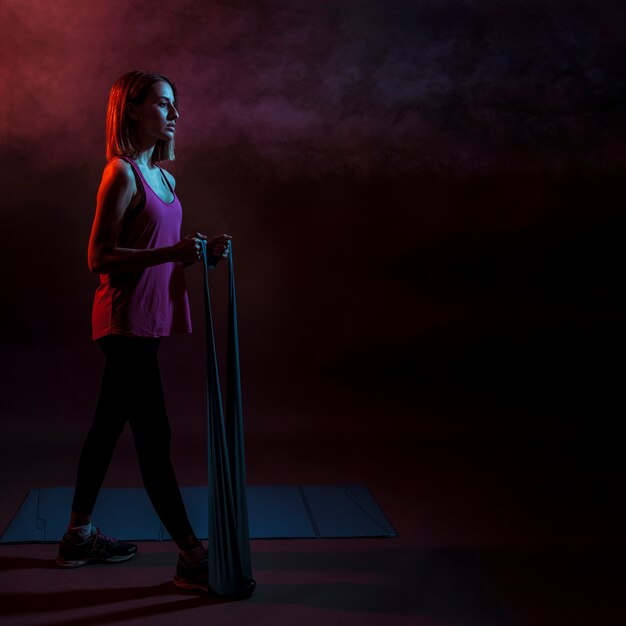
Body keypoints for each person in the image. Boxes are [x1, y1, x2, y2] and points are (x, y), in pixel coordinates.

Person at [56, 70, 230, 593]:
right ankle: (191, 557)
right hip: (123, 323)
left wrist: (197, 257)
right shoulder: (122, 174)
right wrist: (172, 253)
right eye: (162, 104)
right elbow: (98, 258)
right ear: (131, 109)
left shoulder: (168, 181)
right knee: (155, 441)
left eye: (175, 105)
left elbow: (160, 257)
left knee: (108, 427)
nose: (174, 114)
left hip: (149, 322)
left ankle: (77, 536)